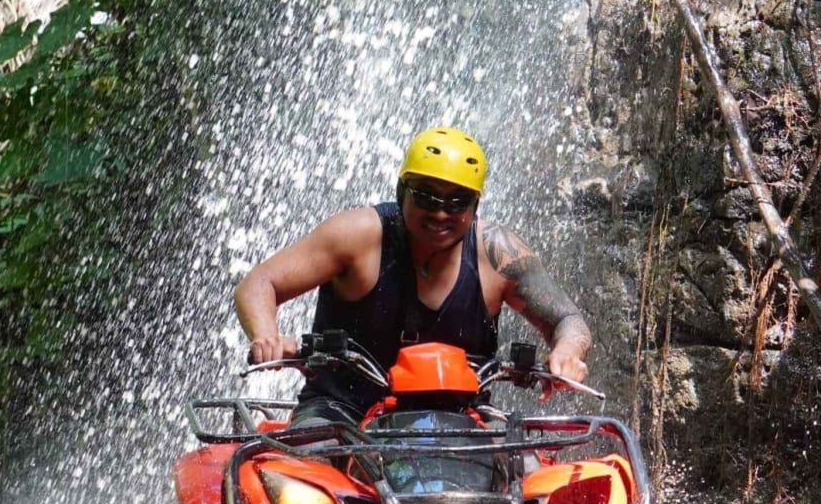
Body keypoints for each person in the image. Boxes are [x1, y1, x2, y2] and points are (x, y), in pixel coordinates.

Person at [234, 126, 593, 423]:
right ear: (402, 191)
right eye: (426, 196)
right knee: (301, 483)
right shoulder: (357, 236)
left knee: (527, 483)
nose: (440, 214)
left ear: (475, 206)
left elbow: (567, 319)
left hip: (460, 419)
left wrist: (567, 352)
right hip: (340, 411)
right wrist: (266, 336)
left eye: (457, 202)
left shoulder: (497, 253)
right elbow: (260, 282)